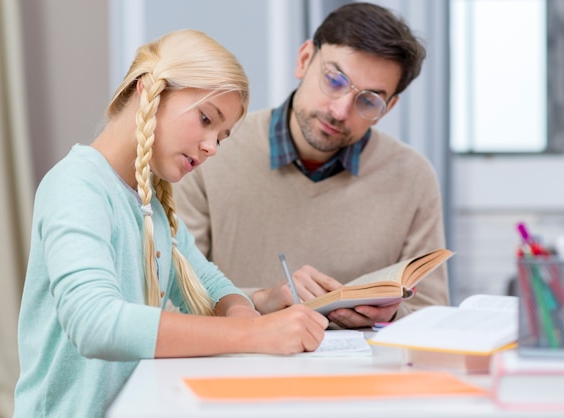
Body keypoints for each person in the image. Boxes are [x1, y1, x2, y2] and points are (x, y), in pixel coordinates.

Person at [13, 29, 328, 418]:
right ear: (149, 91)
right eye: (206, 119)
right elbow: (94, 322)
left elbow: (213, 285)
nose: (212, 146)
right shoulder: (77, 185)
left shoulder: (152, 205)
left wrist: (242, 313)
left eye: (222, 137)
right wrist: (254, 333)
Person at [173, 3, 449, 330]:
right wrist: (262, 299)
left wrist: (392, 314)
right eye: (334, 80)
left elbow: (433, 312)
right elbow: (171, 296)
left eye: (369, 101)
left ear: (388, 108)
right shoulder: (210, 150)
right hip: (237, 364)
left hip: (361, 373)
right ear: (304, 60)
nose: (341, 110)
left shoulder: (412, 177)